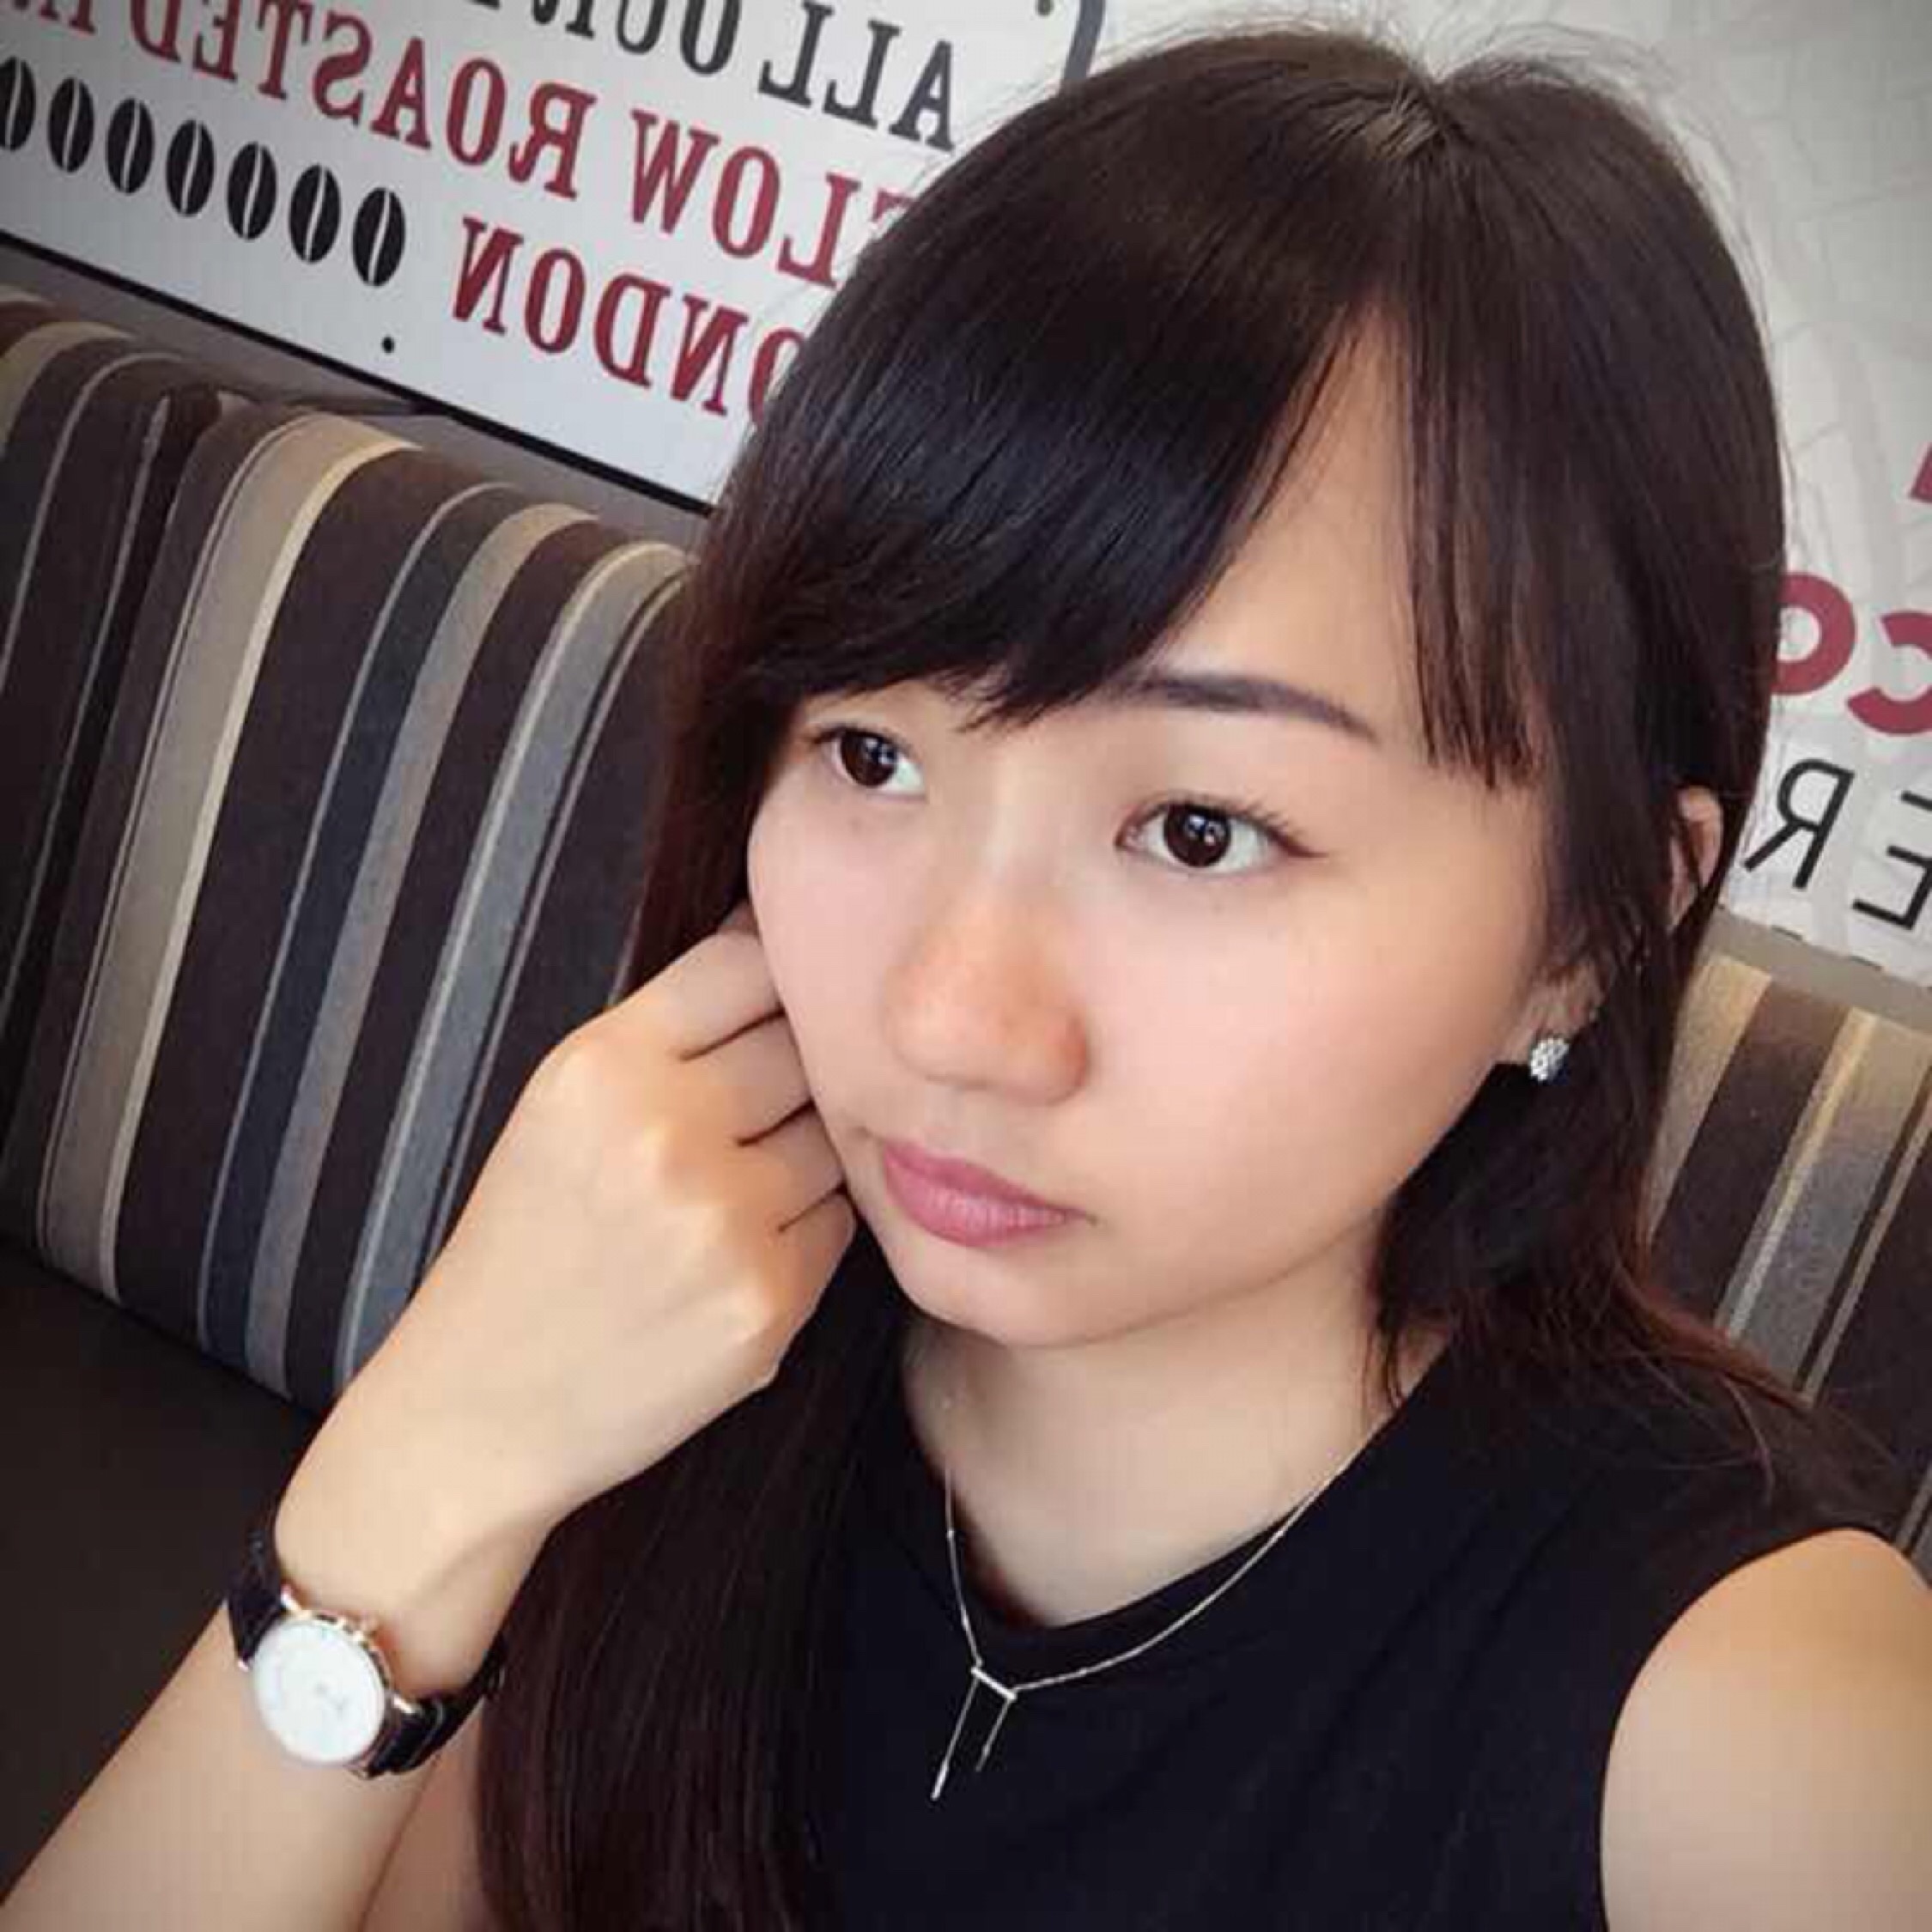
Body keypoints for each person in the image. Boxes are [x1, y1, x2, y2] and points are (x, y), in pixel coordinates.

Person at [7, 13, 1930, 1932]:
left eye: (1200, 829)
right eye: (872, 753)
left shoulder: (1758, 1728)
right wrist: (432, 1460)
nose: (943, 1018)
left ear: (1593, 931)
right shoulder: (668, 1321)